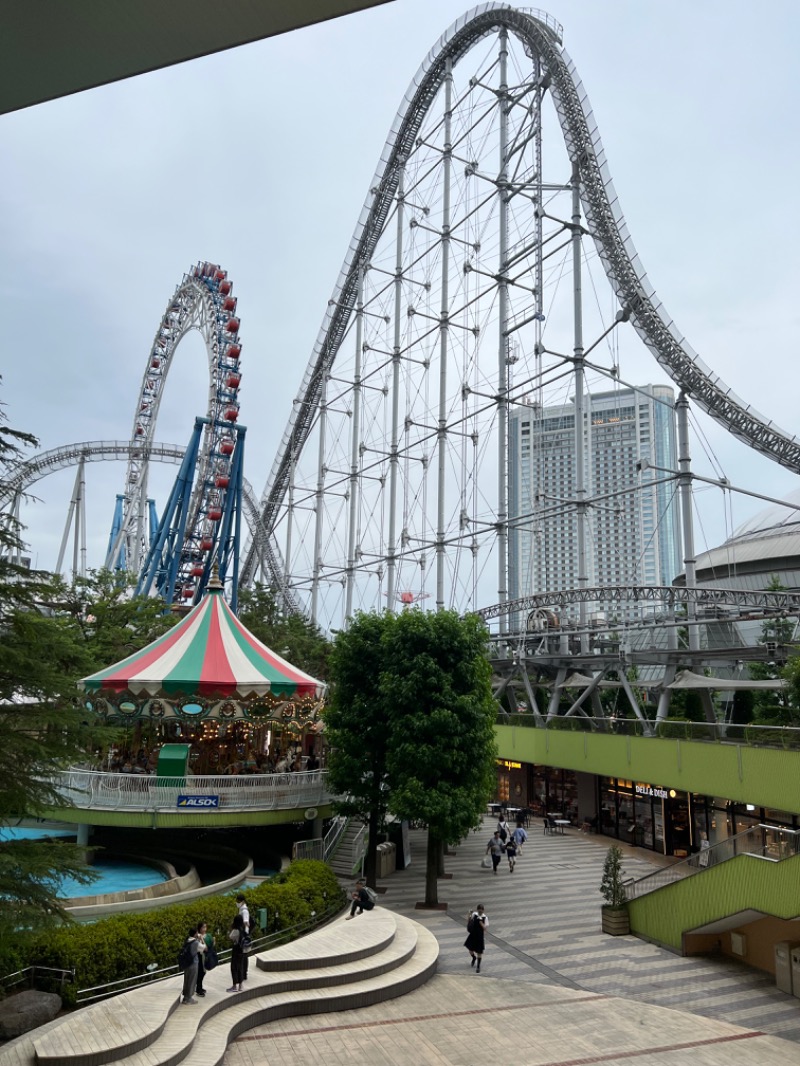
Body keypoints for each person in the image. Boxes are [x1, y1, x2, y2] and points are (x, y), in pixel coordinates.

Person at [464, 904, 488, 972]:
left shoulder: (485, 918)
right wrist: (469, 914)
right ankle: (473, 957)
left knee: (479, 952)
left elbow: (485, 928)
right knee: (470, 950)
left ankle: (478, 966)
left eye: (481, 910)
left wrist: (481, 923)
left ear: (483, 910)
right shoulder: (474, 914)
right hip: (473, 935)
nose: (480, 912)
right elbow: (469, 920)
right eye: (479, 910)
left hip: (480, 937)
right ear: (477, 910)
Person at [180, 925, 200, 1004]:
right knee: (192, 980)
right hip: (193, 963)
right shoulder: (195, 942)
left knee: (187, 980)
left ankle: (185, 997)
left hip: (186, 964)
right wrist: (201, 939)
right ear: (195, 934)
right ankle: (189, 998)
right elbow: (204, 948)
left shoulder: (187, 940)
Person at [227, 914, 246, 993]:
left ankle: (234, 986)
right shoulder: (243, 929)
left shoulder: (236, 930)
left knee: (234, 967)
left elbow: (230, 937)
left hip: (236, 949)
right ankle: (241, 985)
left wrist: (231, 928)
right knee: (240, 967)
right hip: (242, 950)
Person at [236, 894, 250, 981]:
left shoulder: (244, 910)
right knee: (243, 954)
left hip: (243, 935)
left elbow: (246, 922)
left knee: (244, 955)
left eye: (238, 901)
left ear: (243, 901)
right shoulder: (242, 909)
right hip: (243, 934)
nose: (237, 903)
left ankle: (244, 973)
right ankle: (243, 973)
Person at [194, 922, 210, 997]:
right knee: (201, 972)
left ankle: (199, 987)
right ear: (200, 928)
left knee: (202, 972)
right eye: (203, 927)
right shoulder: (199, 936)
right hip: (199, 956)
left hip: (202, 956)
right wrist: (202, 939)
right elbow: (205, 948)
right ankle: (198, 989)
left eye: (205, 927)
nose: (205, 929)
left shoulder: (203, 935)